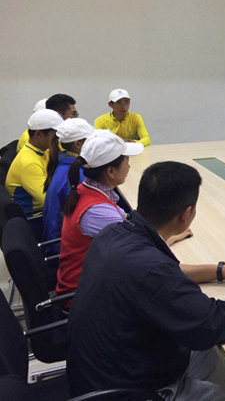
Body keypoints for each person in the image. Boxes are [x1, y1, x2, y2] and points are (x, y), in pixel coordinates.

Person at [66, 161, 225, 400]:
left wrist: (219, 271)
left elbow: (166, 273)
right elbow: (215, 325)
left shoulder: (115, 233)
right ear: (186, 215)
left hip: (99, 373)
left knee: (209, 353)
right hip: (127, 392)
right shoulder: (152, 270)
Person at [56, 130, 144, 301]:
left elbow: (127, 220)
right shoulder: (98, 211)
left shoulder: (87, 189)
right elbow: (141, 254)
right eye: (127, 161)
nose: (129, 167)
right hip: (84, 300)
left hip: (91, 283)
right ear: (111, 171)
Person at [42, 118, 95, 250]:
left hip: (56, 240)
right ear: (78, 144)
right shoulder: (79, 175)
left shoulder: (64, 163)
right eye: (92, 140)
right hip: (63, 247)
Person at [6, 109, 63, 214]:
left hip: (42, 211)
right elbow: (50, 200)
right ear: (38, 134)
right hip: (34, 217)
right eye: (55, 136)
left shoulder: (43, 151)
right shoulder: (28, 163)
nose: (59, 139)